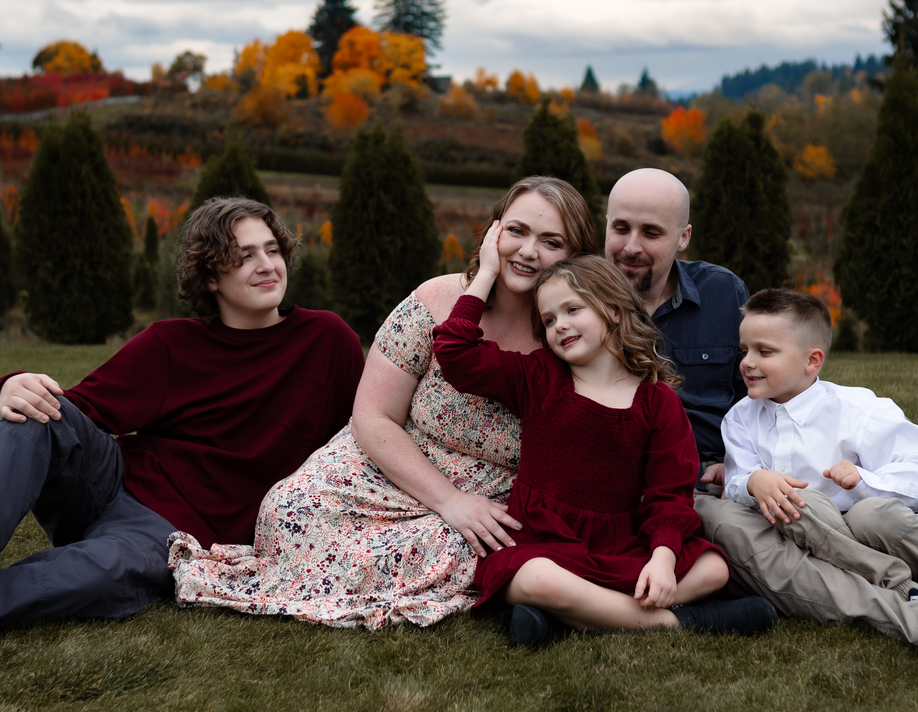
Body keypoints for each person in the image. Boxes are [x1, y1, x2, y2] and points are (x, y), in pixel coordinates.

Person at [169, 177, 599, 627]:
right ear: (494, 233)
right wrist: (448, 499)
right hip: (396, 460)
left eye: (551, 242)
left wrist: (463, 505)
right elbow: (372, 416)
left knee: (454, 546)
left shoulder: (572, 331)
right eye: (517, 231)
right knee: (288, 508)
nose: (528, 251)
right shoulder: (435, 299)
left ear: (575, 256)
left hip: (490, 489)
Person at [0, 197, 363, 629]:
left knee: (100, 572)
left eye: (272, 250)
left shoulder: (327, 341)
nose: (267, 265)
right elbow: (77, 409)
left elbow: (366, 440)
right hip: (108, 481)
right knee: (33, 415)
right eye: (245, 256)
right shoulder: (171, 343)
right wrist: (11, 384)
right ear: (210, 277)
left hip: (168, 534)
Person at [431, 242, 778, 646]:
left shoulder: (656, 400)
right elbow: (455, 352)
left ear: (613, 310)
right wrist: (487, 273)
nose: (559, 324)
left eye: (573, 310)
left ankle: (563, 617)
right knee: (537, 578)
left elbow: (670, 493)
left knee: (714, 567)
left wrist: (663, 559)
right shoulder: (538, 376)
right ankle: (672, 622)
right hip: (542, 538)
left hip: (619, 542)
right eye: (548, 318)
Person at [696, 288, 918, 656]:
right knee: (801, 504)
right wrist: (752, 481)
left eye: (764, 352)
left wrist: (865, 481)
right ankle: (907, 590)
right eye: (744, 350)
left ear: (812, 361)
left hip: (866, 532)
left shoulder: (857, 409)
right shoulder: (740, 419)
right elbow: (734, 482)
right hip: (806, 537)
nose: (747, 363)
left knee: (873, 512)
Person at [604, 168, 748, 491]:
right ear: (606, 225)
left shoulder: (724, 294)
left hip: (711, 478)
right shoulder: (575, 301)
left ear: (684, 237)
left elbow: (761, 399)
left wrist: (740, 463)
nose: (631, 247)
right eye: (621, 228)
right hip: (615, 483)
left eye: (651, 233)